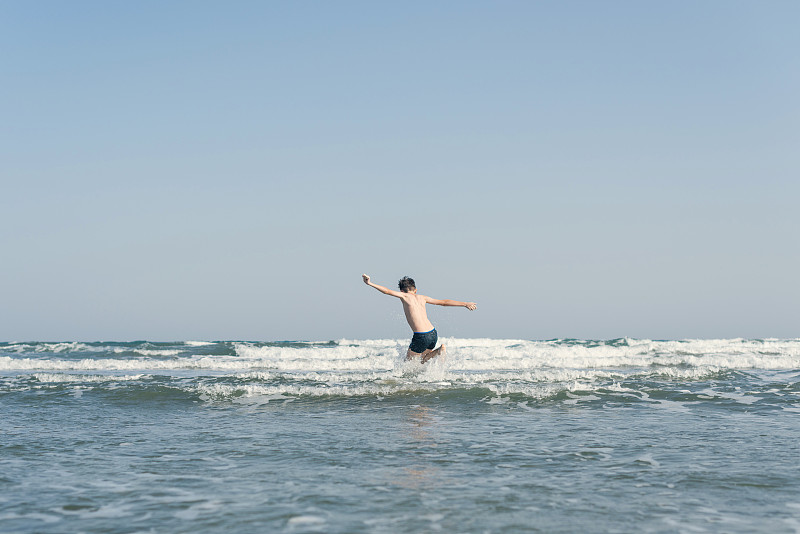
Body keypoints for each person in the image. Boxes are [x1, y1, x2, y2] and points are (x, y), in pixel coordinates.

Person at [362, 274, 477, 362]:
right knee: (423, 360)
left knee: (407, 364)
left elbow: (386, 291)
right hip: (433, 333)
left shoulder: (404, 296)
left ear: (401, 291)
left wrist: (370, 283)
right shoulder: (423, 297)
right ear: (415, 290)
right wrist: (465, 303)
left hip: (421, 336)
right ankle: (439, 350)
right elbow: (444, 302)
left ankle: (407, 386)